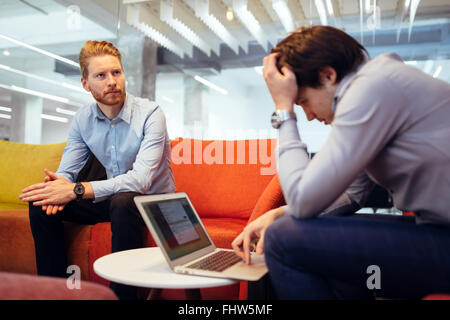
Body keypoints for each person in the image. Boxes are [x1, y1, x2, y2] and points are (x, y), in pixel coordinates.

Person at [232, 26, 450, 299]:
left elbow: (303, 198)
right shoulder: (379, 83)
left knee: (282, 241)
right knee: (314, 244)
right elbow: (352, 195)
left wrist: (283, 112)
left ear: (328, 75)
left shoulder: (371, 89)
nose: (309, 116)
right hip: (437, 231)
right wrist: (278, 213)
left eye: (304, 101)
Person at [20, 40, 176, 300]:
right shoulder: (83, 119)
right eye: (101, 76)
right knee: (41, 203)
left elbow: (141, 181)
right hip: (115, 198)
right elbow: (68, 171)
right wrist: (58, 185)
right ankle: (55, 293)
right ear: (85, 84)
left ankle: (121, 297)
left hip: (153, 202)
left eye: (116, 72)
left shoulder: (151, 114)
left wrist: (77, 189)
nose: (112, 81)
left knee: (123, 202)